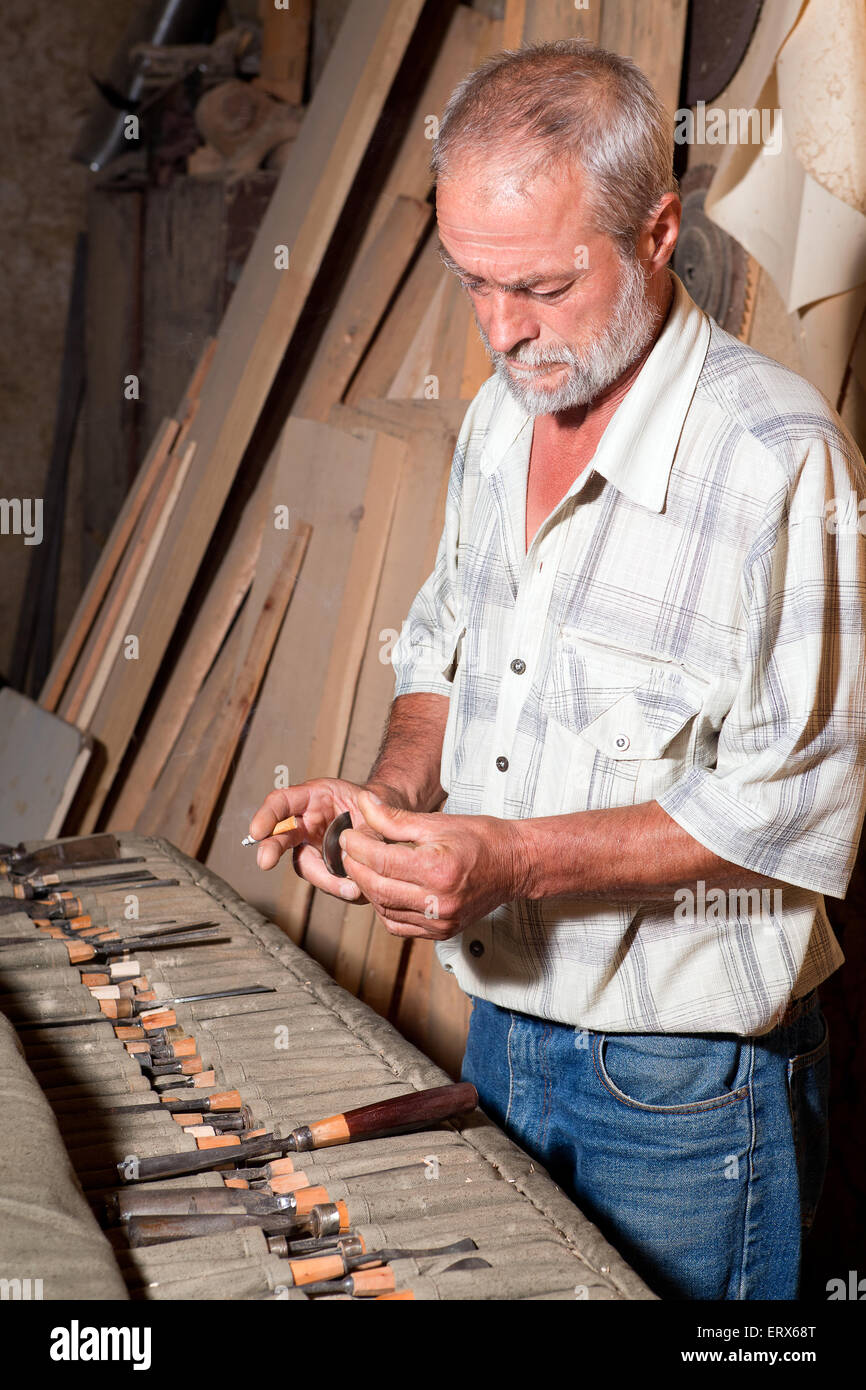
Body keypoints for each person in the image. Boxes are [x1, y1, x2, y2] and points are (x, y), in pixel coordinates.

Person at [249, 40, 866, 1300]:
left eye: (537, 284)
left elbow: (789, 809)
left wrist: (509, 860)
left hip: (683, 1085)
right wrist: (393, 801)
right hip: (504, 1029)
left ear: (654, 231)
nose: (500, 328)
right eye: (471, 282)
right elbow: (440, 645)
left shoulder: (777, 461)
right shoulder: (499, 415)